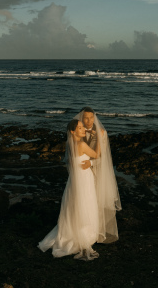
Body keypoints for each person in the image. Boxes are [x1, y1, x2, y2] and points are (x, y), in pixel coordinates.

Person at [38, 118, 102, 260]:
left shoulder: (70, 144)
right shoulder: (81, 144)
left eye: (82, 127)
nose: (83, 129)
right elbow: (97, 155)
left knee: (75, 205)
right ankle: (84, 234)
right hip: (84, 178)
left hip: (74, 180)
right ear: (73, 132)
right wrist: (99, 138)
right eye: (80, 128)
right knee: (85, 203)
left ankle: (73, 231)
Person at [75, 107, 120, 244]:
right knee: (83, 203)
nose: (89, 121)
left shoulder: (102, 133)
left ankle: (96, 232)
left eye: (91, 117)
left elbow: (104, 157)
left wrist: (91, 163)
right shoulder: (77, 132)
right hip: (81, 174)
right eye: (86, 118)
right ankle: (82, 231)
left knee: (97, 202)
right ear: (81, 119)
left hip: (97, 172)